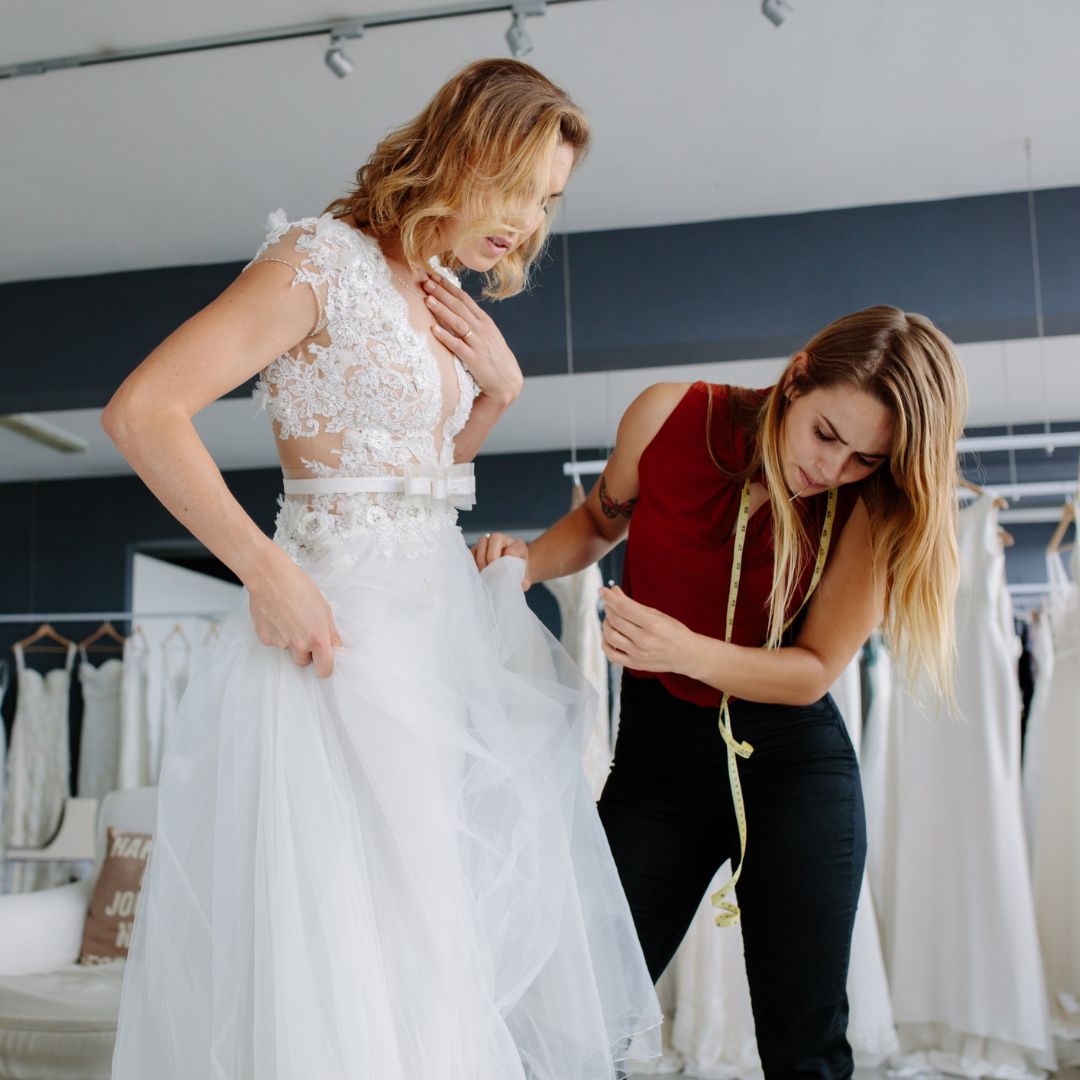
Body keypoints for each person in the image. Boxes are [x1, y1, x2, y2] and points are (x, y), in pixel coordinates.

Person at [104, 58, 660, 1080]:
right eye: (517, 186)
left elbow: (408, 475)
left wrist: (491, 404)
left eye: (549, 203)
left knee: (431, 927)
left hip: (436, 632)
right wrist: (264, 573)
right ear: (464, 150)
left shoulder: (439, 291)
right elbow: (143, 411)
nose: (528, 224)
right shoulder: (320, 258)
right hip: (335, 631)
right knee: (350, 929)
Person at [475, 306, 968, 1079]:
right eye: (826, 435)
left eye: (864, 459)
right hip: (655, 766)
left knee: (804, 1044)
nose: (830, 470)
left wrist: (687, 651)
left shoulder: (877, 506)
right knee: (579, 1014)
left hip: (793, 769)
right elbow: (600, 523)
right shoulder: (670, 414)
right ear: (798, 374)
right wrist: (527, 560)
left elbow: (812, 671)